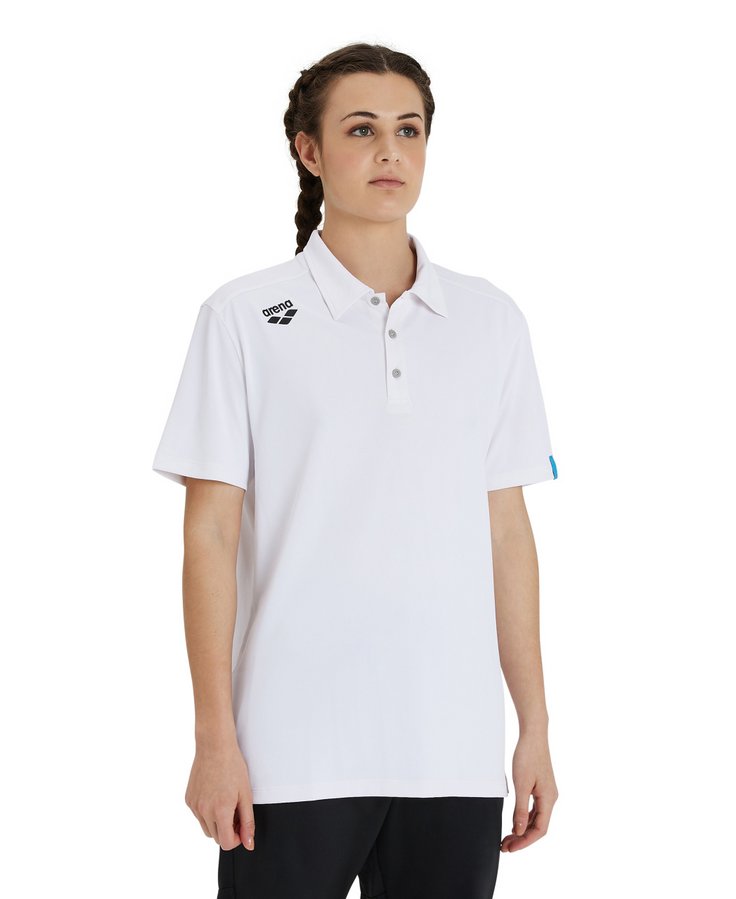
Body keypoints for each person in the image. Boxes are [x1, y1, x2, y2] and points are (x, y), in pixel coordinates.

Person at [152, 41, 559, 899]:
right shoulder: (243, 318)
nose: (390, 152)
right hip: (290, 752)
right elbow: (210, 535)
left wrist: (534, 727)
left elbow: (507, 534)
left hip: (452, 753)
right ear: (309, 150)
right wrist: (214, 737)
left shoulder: (491, 322)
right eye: (362, 129)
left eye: (409, 130)